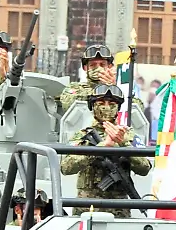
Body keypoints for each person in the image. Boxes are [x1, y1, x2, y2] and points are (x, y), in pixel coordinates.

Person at [61, 84, 151, 219]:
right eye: (101, 103)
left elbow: (145, 168)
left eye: (112, 103)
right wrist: (100, 148)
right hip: (86, 207)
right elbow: (66, 167)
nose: (106, 107)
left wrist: (123, 143)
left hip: (119, 209)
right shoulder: (83, 134)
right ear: (93, 106)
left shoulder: (128, 135)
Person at [59, 44, 144, 113]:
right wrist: (103, 90)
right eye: (93, 65)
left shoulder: (122, 88)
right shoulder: (75, 88)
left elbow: (138, 109)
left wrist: (115, 89)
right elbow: (68, 104)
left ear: (110, 66)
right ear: (85, 68)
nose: (98, 68)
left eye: (102, 65)